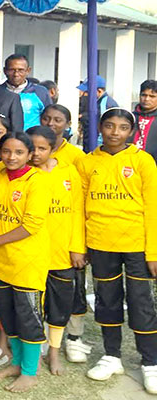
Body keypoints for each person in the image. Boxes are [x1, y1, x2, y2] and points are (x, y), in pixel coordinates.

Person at [76, 108, 157, 394]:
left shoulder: (143, 161)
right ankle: (112, 356)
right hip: (100, 243)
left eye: (123, 127)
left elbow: (152, 207)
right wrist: (79, 246)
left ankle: (151, 362)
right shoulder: (87, 162)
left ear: (131, 132)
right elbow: (79, 209)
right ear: (100, 127)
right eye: (109, 126)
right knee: (107, 300)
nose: (115, 132)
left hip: (136, 245)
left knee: (141, 302)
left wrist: (153, 252)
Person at [0, 131, 51, 393]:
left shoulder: (38, 181)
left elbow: (30, 225)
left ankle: (30, 372)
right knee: (8, 317)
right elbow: (3, 211)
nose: (11, 157)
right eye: (7, 151)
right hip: (4, 262)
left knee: (29, 318)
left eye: (19, 152)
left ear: (30, 155)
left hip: (28, 262)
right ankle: (17, 363)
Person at [26, 126, 85, 376]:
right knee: (32, 304)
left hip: (61, 252)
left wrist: (77, 248)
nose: (36, 153)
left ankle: (54, 351)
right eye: (32, 148)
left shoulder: (69, 172)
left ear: (53, 149)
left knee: (59, 305)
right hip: (31, 252)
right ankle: (34, 350)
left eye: (42, 148)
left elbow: (77, 212)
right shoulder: (24, 174)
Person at [2, 54, 51, 130]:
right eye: (11, 70)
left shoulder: (40, 92)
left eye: (21, 70)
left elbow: (49, 116)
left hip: (32, 136)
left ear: (28, 71)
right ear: (5, 71)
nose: (16, 74)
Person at [78, 75, 118, 151]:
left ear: (99, 91)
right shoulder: (96, 103)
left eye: (88, 92)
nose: (85, 94)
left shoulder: (105, 105)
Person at [132, 79, 157, 162]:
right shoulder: (130, 118)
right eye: (144, 95)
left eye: (152, 96)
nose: (146, 99)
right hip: (129, 164)